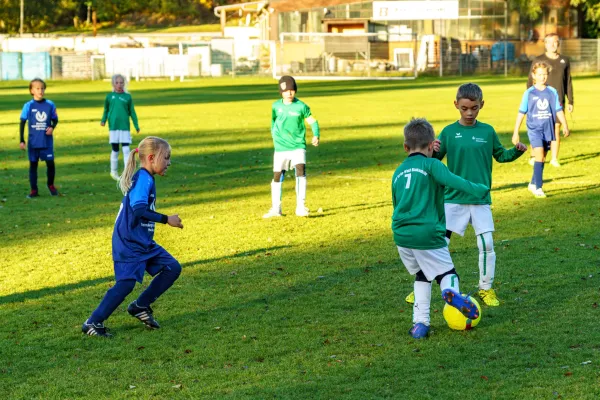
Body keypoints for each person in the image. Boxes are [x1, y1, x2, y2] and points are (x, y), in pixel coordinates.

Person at [405, 83, 527, 307]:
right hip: (452, 199)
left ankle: (486, 289)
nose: (469, 113)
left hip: (479, 199)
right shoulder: (449, 132)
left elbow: (500, 155)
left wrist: (517, 152)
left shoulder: (487, 131)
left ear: (482, 105)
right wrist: (433, 149)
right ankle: (422, 284)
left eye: (474, 108)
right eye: (464, 108)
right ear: (456, 105)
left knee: (487, 244)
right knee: (437, 244)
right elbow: (431, 162)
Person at [392, 118, 488, 339]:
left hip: (401, 234)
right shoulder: (433, 165)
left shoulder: (398, 172)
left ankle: (420, 324)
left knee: (422, 275)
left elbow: (396, 203)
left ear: (406, 147)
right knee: (447, 272)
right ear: (431, 146)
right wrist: (480, 190)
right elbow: (455, 181)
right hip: (427, 232)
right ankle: (451, 292)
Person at [82, 137, 183, 337]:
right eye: (167, 157)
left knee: (172, 267)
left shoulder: (146, 178)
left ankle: (140, 306)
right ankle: (93, 322)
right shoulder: (143, 178)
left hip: (142, 240)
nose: (169, 162)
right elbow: (138, 210)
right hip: (128, 242)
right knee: (126, 284)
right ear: (152, 158)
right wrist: (166, 219)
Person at [263, 75, 320, 218]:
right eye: (286, 90)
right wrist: (275, 137)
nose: (289, 93)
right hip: (281, 147)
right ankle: (276, 208)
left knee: (300, 172)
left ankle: (300, 207)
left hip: (297, 146)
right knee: (277, 176)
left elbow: (312, 121)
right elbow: (273, 122)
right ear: (281, 92)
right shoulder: (276, 106)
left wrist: (316, 135)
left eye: (292, 90)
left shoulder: (301, 106)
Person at [514, 62, 569, 198]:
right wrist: (516, 132)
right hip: (534, 129)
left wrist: (565, 124)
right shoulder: (529, 93)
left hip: (548, 129)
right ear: (534, 75)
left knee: (543, 158)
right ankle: (538, 187)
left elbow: (558, 110)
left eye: (544, 74)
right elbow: (521, 112)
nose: (542, 77)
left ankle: (533, 183)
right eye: (539, 74)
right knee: (538, 156)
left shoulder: (552, 92)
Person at [526, 33, 574, 167]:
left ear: (558, 43)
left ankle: (554, 158)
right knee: (538, 128)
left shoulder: (565, 60)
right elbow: (530, 82)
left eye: (555, 42)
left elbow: (568, 81)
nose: (552, 45)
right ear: (545, 44)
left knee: (556, 128)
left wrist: (570, 101)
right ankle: (534, 155)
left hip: (557, 101)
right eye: (549, 42)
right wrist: (531, 99)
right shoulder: (538, 60)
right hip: (540, 101)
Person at [19, 78, 59, 198]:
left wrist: (52, 126)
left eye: (42, 88)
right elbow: (22, 122)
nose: (40, 91)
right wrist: (22, 140)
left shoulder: (50, 104)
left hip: (46, 141)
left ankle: (51, 185)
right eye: (37, 88)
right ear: (32, 90)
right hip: (33, 142)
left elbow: (55, 119)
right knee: (33, 165)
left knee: (50, 164)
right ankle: (34, 190)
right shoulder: (28, 106)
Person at [101, 74, 140, 181]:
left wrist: (136, 125)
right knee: (115, 150)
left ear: (124, 83)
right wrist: (103, 120)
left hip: (125, 127)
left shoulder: (128, 97)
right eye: (117, 82)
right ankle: (113, 172)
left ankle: (127, 173)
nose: (119, 85)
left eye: (121, 82)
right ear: (113, 84)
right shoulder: (109, 97)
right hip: (113, 127)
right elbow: (106, 110)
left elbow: (132, 112)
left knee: (126, 149)